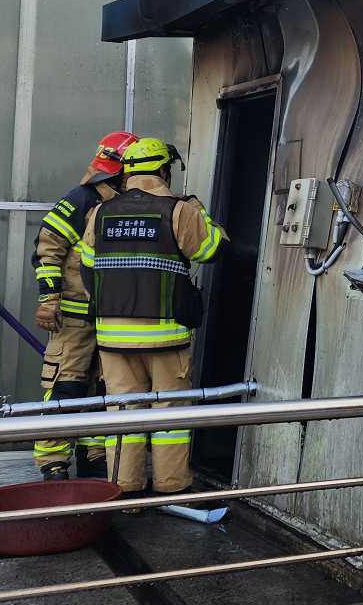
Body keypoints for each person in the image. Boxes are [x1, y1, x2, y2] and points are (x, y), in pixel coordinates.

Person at [77, 137, 226, 495]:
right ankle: (171, 488)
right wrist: (200, 212)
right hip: (165, 338)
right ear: (163, 170)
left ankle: (124, 492)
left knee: (123, 414)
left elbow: (86, 270)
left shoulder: (100, 213)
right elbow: (212, 249)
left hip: (113, 339)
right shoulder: (179, 210)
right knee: (169, 416)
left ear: (127, 173)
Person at [31, 130, 137, 481]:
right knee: (67, 386)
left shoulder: (128, 201)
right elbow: (46, 249)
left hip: (112, 318)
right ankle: (53, 461)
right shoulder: (81, 199)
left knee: (104, 389)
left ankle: (94, 455)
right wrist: (49, 299)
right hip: (74, 320)